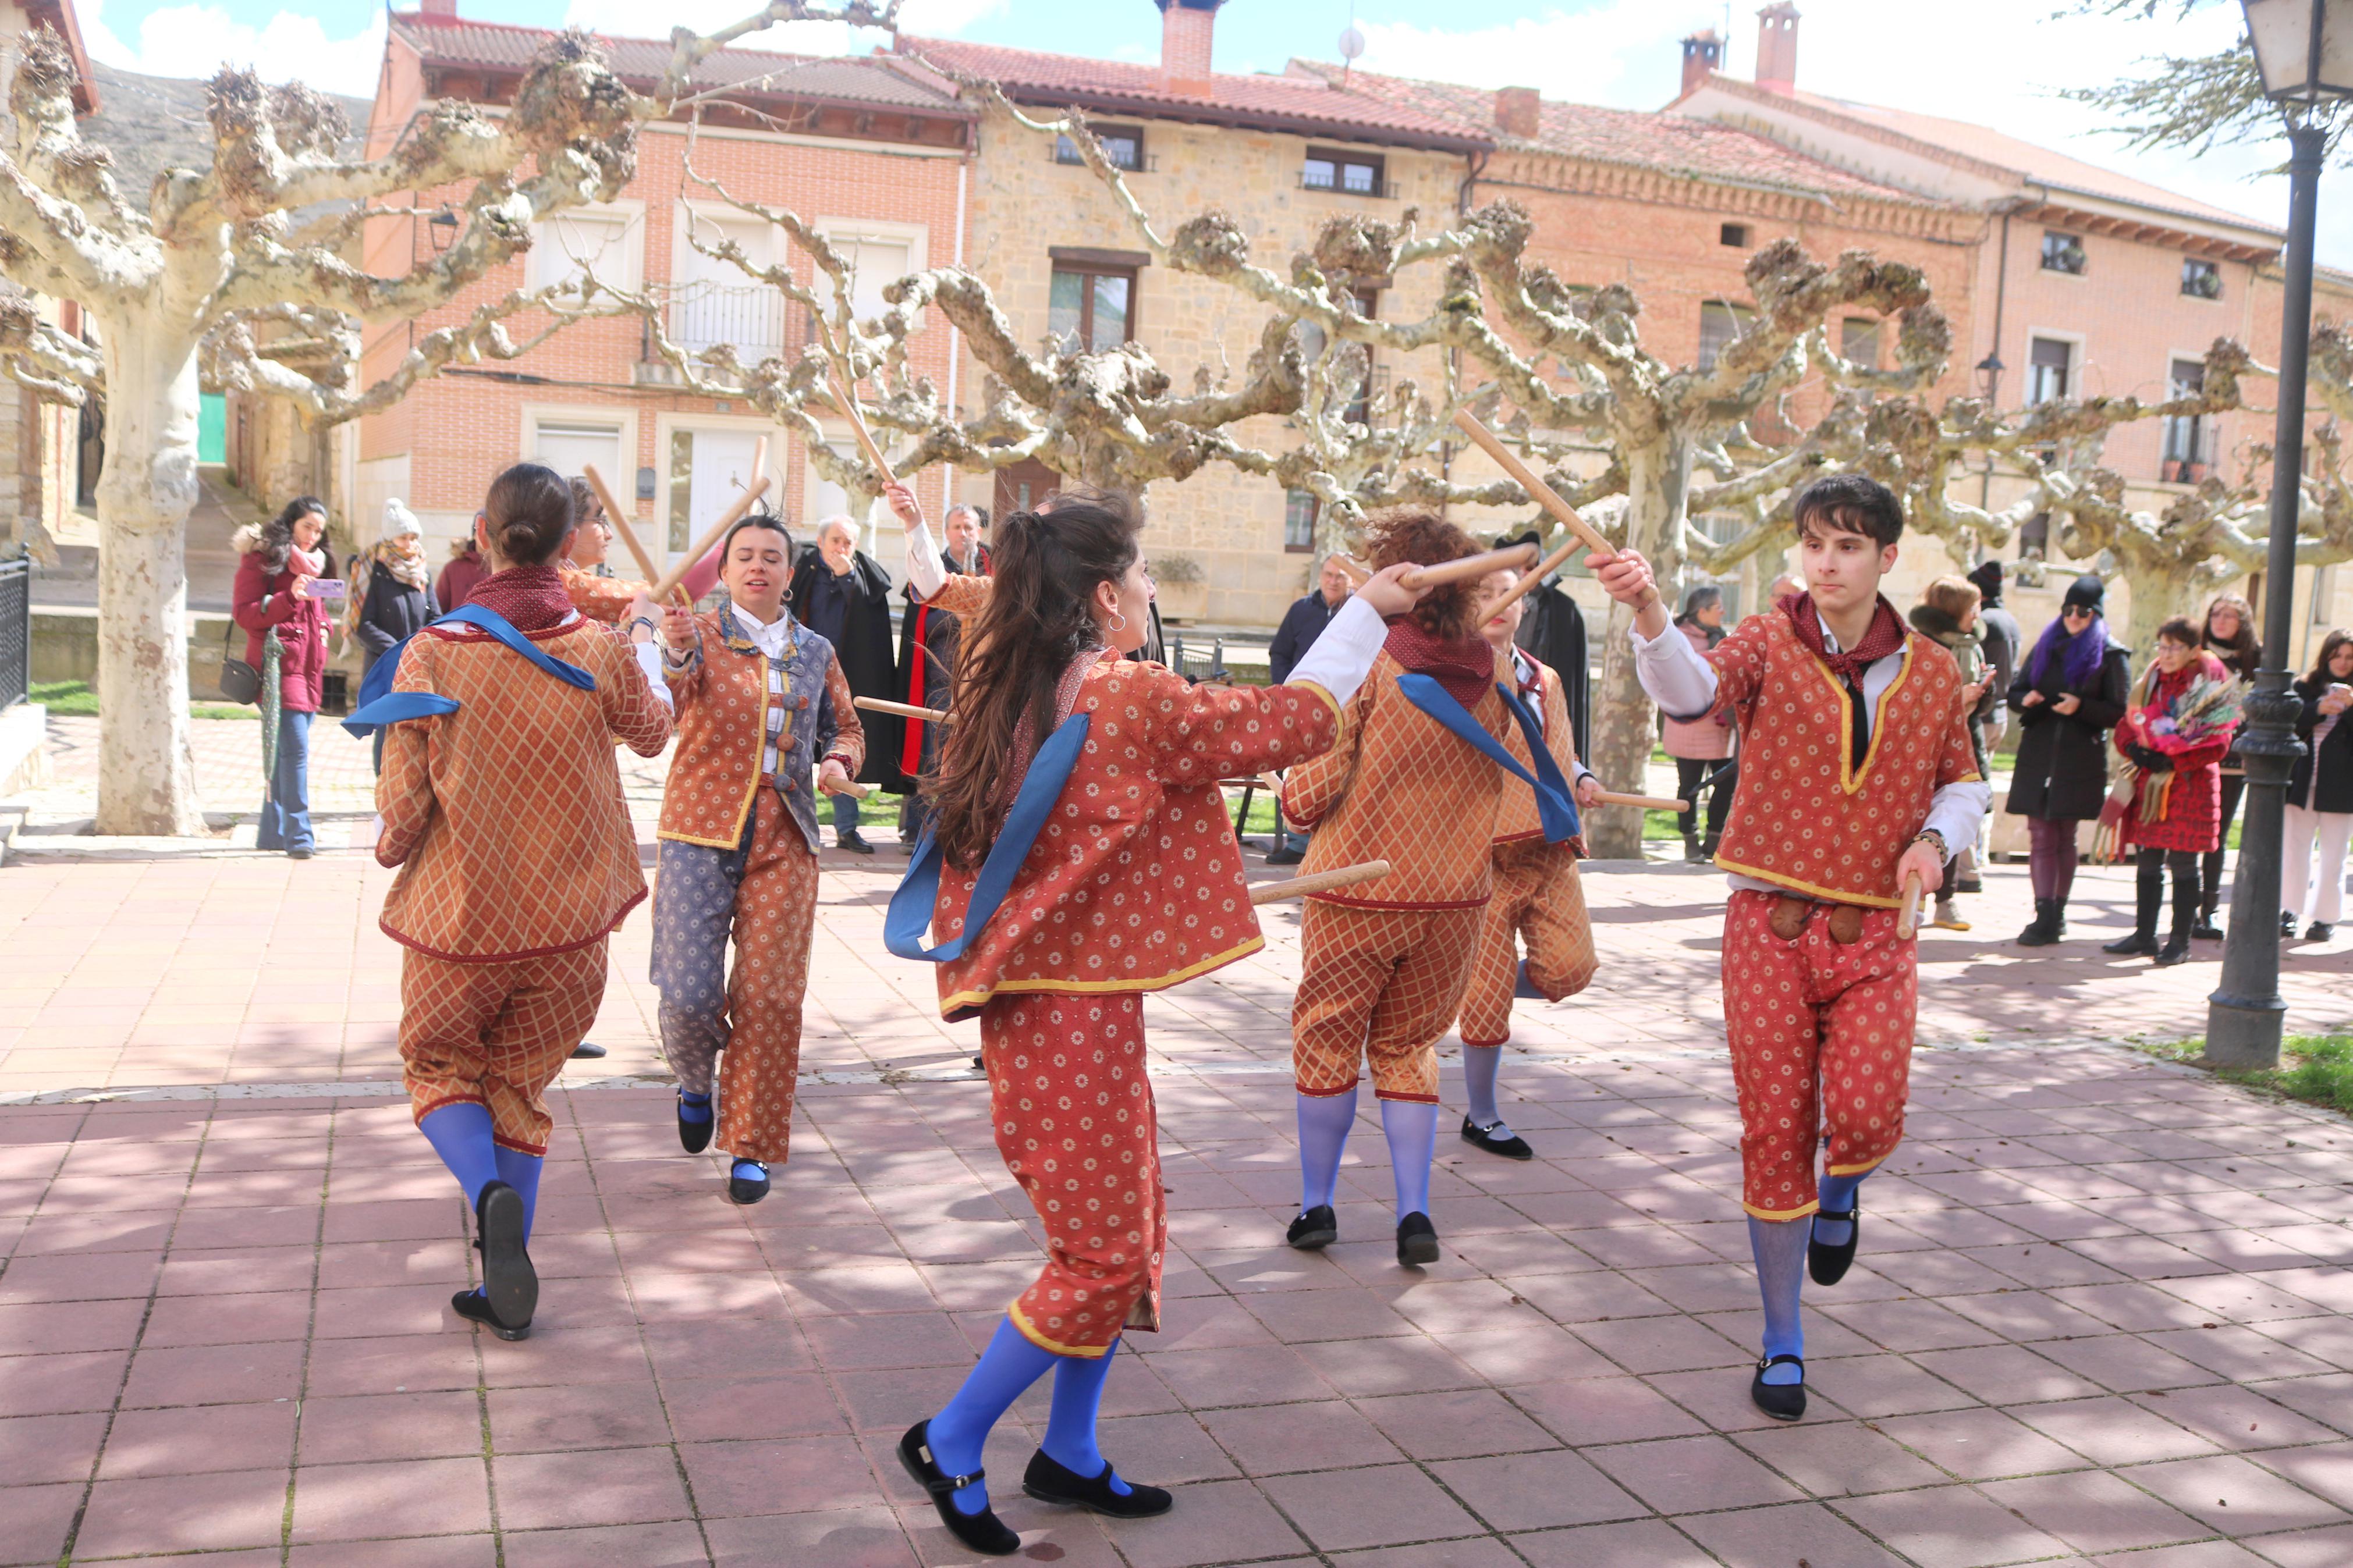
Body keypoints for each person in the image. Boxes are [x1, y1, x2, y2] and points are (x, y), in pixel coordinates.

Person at [885, 487, 1419, 1555]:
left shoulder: (1018, 674)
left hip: (1069, 1006)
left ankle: (1069, 1454)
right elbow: (1287, 722)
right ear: (1100, 596)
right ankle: (949, 1438)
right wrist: (1368, 613)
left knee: (1121, 1234)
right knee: (1098, 1254)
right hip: (1062, 1017)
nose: (1150, 592)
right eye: (1140, 577)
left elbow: (977, 597)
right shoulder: (1122, 696)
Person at [1594, 473, 1986, 1424]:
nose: (1826, 561)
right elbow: (1690, 698)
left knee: (1861, 1113)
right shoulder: (1765, 643)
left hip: (1878, 931)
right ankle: (1781, 1340)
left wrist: (1934, 842)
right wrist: (1649, 610)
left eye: (1848, 546)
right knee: (1774, 1133)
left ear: (1886, 559)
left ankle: (1842, 1187)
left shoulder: (1932, 671)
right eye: (1814, 542)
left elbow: (1963, 783)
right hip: (1765, 927)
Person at [356, 463, 673, 1342]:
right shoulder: (598, 647)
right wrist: (644, 636)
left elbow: (405, 810)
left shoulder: (433, 650)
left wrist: (391, 849)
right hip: (573, 928)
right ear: (570, 538)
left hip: (464, 922)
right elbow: (653, 732)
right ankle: (507, 1281)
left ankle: (483, 1191)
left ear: (483, 532)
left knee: (437, 1064)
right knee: (521, 1088)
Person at [1282, 509, 1577, 1268]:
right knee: (1410, 1047)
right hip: (1453, 898)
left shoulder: (1370, 665)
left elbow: (1310, 791)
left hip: (1357, 887)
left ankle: (1317, 1201)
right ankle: (1413, 1210)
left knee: (1326, 1036)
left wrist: (1287, 786)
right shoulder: (1495, 674)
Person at [652, 509, 865, 1206]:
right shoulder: (700, 633)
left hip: (787, 837)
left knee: (771, 997)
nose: (757, 566)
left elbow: (846, 729)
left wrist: (836, 762)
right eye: (744, 554)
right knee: (688, 996)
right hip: (698, 832)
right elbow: (672, 699)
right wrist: (675, 652)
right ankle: (693, 1083)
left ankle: (749, 1144)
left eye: (771, 556)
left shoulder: (816, 650)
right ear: (724, 568)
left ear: (788, 570)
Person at [1454, 565, 1605, 1158]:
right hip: (1482, 854)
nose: (1500, 603)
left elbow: (1556, 748)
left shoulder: (1544, 677)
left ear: (1525, 607)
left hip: (1548, 848)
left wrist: (1582, 775)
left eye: (1510, 594)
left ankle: (1462, 986)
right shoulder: (1452, 678)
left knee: (1571, 968)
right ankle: (1482, 1114)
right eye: (1485, 594)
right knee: (1488, 997)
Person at [2103, 618, 2240, 966]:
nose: (2165, 654)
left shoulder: (2211, 683)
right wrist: (2136, 751)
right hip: (2150, 781)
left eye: (2174, 647)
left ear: (2194, 651)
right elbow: (2126, 727)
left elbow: (2219, 742)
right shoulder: (2149, 682)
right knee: (2147, 857)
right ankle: (2144, 935)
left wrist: (2175, 762)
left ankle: (2179, 942)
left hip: (2189, 786)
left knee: (2183, 862)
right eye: (2161, 646)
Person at [2006, 575, 2132, 947]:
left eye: (2083, 612)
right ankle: (2043, 915)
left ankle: (2057, 914)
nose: (2074, 618)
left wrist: (2081, 707)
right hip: (2038, 751)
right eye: (2068, 610)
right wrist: (2023, 698)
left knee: (2065, 835)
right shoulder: (2047, 645)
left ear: (2096, 615)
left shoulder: (2111, 654)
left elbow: (2119, 712)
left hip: (2080, 755)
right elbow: (2015, 689)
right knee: (2040, 833)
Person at [789, 514, 900, 852]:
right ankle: (793, 827)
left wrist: (847, 578)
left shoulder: (863, 577)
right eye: (835, 540)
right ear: (820, 542)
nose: (841, 548)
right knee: (795, 748)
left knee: (840, 747)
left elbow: (871, 629)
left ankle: (847, 828)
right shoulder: (801, 572)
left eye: (847, 542)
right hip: (799, 673)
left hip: (845, 679)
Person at [232, 496, 333, 859]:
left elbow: (317, 612)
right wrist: (288, 597)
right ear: (291, 523)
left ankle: (271, 832)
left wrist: (324, 629)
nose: (312, 537)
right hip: (276, 668)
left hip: (309, 670)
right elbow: (245, 614)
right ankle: (299, 835)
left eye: (319, 531)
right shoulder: (263, 559)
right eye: (307, 526)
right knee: (296, 752)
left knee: (283, 752)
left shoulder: (316, 564)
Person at [896, 500, 991, 853]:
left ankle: (969, 830)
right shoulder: (932, 571)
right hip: (940, 681)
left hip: (984, 683)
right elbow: (926, 617)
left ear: (979, 530)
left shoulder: (998, 569)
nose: (963, 534)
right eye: (956, 528)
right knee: (935, 756)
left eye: (969, 527)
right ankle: (922, 831)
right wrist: (955, 614)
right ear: (947, 532)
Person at [1908, 575, 1994, 930]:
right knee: (1918, 821)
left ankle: (1946, 901)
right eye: (1973, 606)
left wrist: (1984, 692)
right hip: (1923, 746)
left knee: (1955, 818)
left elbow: (1985, 705)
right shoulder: (1919, 645)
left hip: (1965, 741)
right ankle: (1913, 900)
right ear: (1955, 610)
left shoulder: (1972, 645)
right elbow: (1910, 701)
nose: (1978, 613)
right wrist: (1956, 699)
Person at [1266, 554, 1356, 864]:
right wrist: (1285, 692)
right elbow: (1280, 653)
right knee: (1298, 768)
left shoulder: (1362, 613)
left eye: (1341, 577)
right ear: (1321, 576)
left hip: (1347, 705)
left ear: (1352, 580)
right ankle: (1298, 842)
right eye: (1329, 575)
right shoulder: (1301, 610)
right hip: (1300, 703)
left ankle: (1332, 842)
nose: (1333, 581)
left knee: (1338, 774)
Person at [349, 499, 440, 775]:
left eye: (414, 537)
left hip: (418, 666)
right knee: (388, 731)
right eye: (404, 537)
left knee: (415, 728)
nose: (410, 544)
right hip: (386, 664)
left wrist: (423, 646)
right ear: (390, 538)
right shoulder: (371, 571)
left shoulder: (421, 572)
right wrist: (396, 650)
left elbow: (434, 615)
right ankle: (384, 792)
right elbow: (362, 623)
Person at [558, 476, 724, 623]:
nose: (610, 535)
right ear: (570, 529)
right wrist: (727, 549)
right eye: (600, 521)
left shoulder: (564, 578)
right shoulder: (562, 583)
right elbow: (670, 595)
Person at [2196, 593, 2262, 938]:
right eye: (2215, 614)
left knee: (2216, 835)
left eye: (2229, 616)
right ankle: (2185, 908)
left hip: (2234, 760)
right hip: (2193, 755)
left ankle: (2209, 910)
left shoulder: (2258, 659)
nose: (2220, 621)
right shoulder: (2195, 654)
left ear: (2243, 622)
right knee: (2189, 832)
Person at [2284, 629, 2352, 941]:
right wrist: (2317, 710)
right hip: (2301, 782)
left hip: (2341, 787)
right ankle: (2289, 909)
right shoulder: (2304, 686)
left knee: (2334, 854)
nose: (2341, 662)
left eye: (2349, 656)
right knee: (2295, 849)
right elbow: (2287, 722)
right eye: (2336, 655)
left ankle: (2325, 918)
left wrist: (2348, 707)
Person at [1663, 585, 1734, 862]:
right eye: (1719, 607)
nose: (1724, 612)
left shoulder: (1723, 638)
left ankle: (1714, 839)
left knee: (1727, 784)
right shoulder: (1678, 640)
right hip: (1689, 726)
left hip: (1721, 726)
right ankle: (1690, 841)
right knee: (1689, 787)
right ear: (1702, 611)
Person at [1964, 561, 2021, 893]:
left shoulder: (1984, 622)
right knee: (1981, 790)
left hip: (1982, 715)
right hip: (1998, 716)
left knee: (1969, 790)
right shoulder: (2010, 620)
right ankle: (1979, 858)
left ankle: (1970, 869)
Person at [436, 534, 488, 611]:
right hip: (457, 622)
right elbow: (439, 608)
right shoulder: (453, 568)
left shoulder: (504, 567)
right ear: (475, 534)